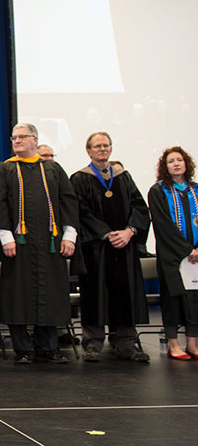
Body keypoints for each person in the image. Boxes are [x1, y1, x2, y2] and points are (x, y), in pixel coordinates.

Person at [0, 123, 78, 364]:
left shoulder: (52, 168)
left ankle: (48, 348)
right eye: (14, 137)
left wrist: (69, 235)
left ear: (34, 139)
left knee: (50, 294)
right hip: (19, 244)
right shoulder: (4, 170)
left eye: (22, 137)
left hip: (50, 244)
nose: (16, 141)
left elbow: (68, 202)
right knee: (18, 295)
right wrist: (6, 238)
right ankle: (23, 349)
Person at [70, 132, 150, 362]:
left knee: (125, 294)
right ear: (89, 151)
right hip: (95, 249)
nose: (102, 149)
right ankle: (92, 342)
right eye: (97, 146)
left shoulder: (123, 177)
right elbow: (80, 212)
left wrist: (129, 231)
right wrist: (105, 232)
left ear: (111, 149)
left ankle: (125, 341)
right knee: (94, 294)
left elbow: (140, 208)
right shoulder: (79, 179)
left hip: (124, 247)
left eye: (106, 145)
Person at [147, 146, 198, 359]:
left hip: (196, 257)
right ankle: (174, 344)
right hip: (171, 255)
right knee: (173, 298)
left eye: (179, 160)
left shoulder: (196, 189)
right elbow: (163, 225)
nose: (176, 163)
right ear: (165, 166)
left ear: (187, 164)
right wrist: (187, 251)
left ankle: (193, 344)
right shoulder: (158, 191)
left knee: (194, 299)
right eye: (171, 161)